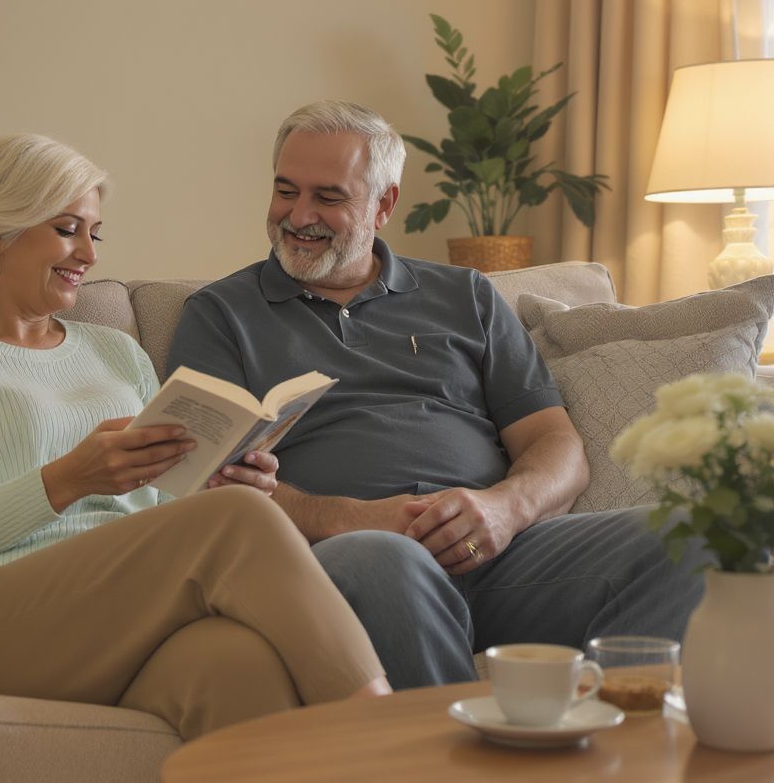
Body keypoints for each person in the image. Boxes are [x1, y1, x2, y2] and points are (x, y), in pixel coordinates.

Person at [0, 133, 389, 740]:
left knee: (238, 664)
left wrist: (213, 479)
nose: (88, 253)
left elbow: (159, 514)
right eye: (67, 229)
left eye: (94, 233)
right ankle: (384, 735)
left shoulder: (116, 353)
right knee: (235, 519)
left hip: (120, 616)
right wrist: (68, 479)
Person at [165, 100, 705, 690]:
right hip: (347, 559)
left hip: (498, 554)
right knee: (382, 559)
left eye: (328, 197)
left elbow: (555, 443)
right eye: (286, 191)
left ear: (385, 205)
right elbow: (215, 489)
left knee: (690, 533)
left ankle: (621, 758)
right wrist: (359, 519)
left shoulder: (465, 295)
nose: (298, 215)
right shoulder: (220, 315)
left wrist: (505, 509)